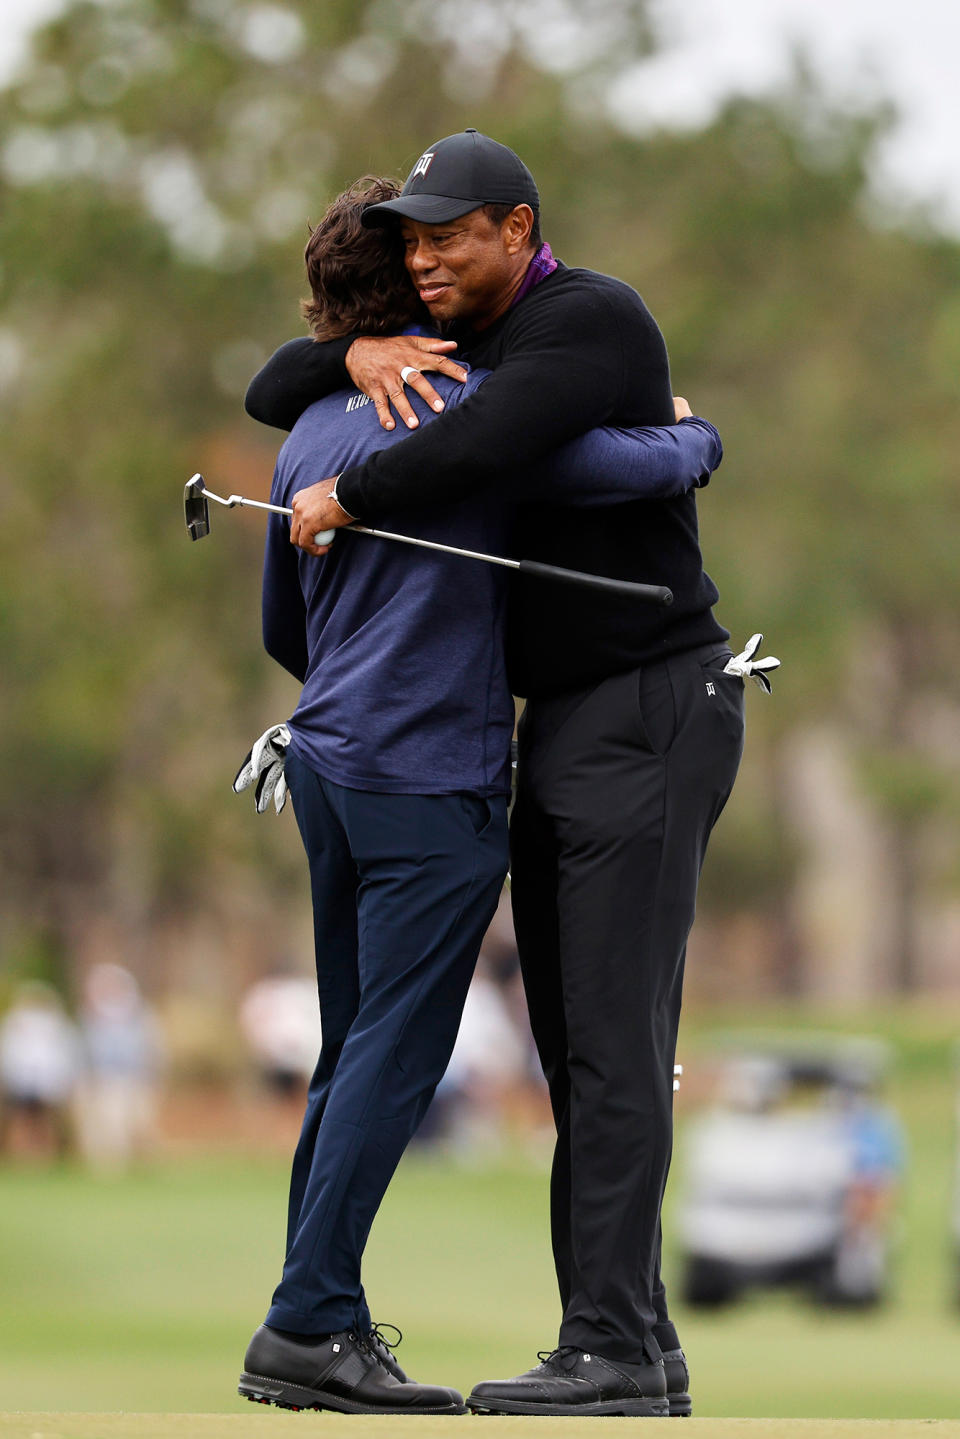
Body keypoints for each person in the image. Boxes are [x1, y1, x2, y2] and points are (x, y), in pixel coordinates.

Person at [236, 173, 724, 1417]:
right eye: (423, 256)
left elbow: (281, 628)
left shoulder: (309, 431)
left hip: (329, 761)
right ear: (413, 299)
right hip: (431, 779)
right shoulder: (459, 404)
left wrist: (343, 364)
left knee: (352, 1054)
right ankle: (307, 1320)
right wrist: (695, 436)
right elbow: (608, 467)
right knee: (400, 1054)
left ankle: (329, 1313)